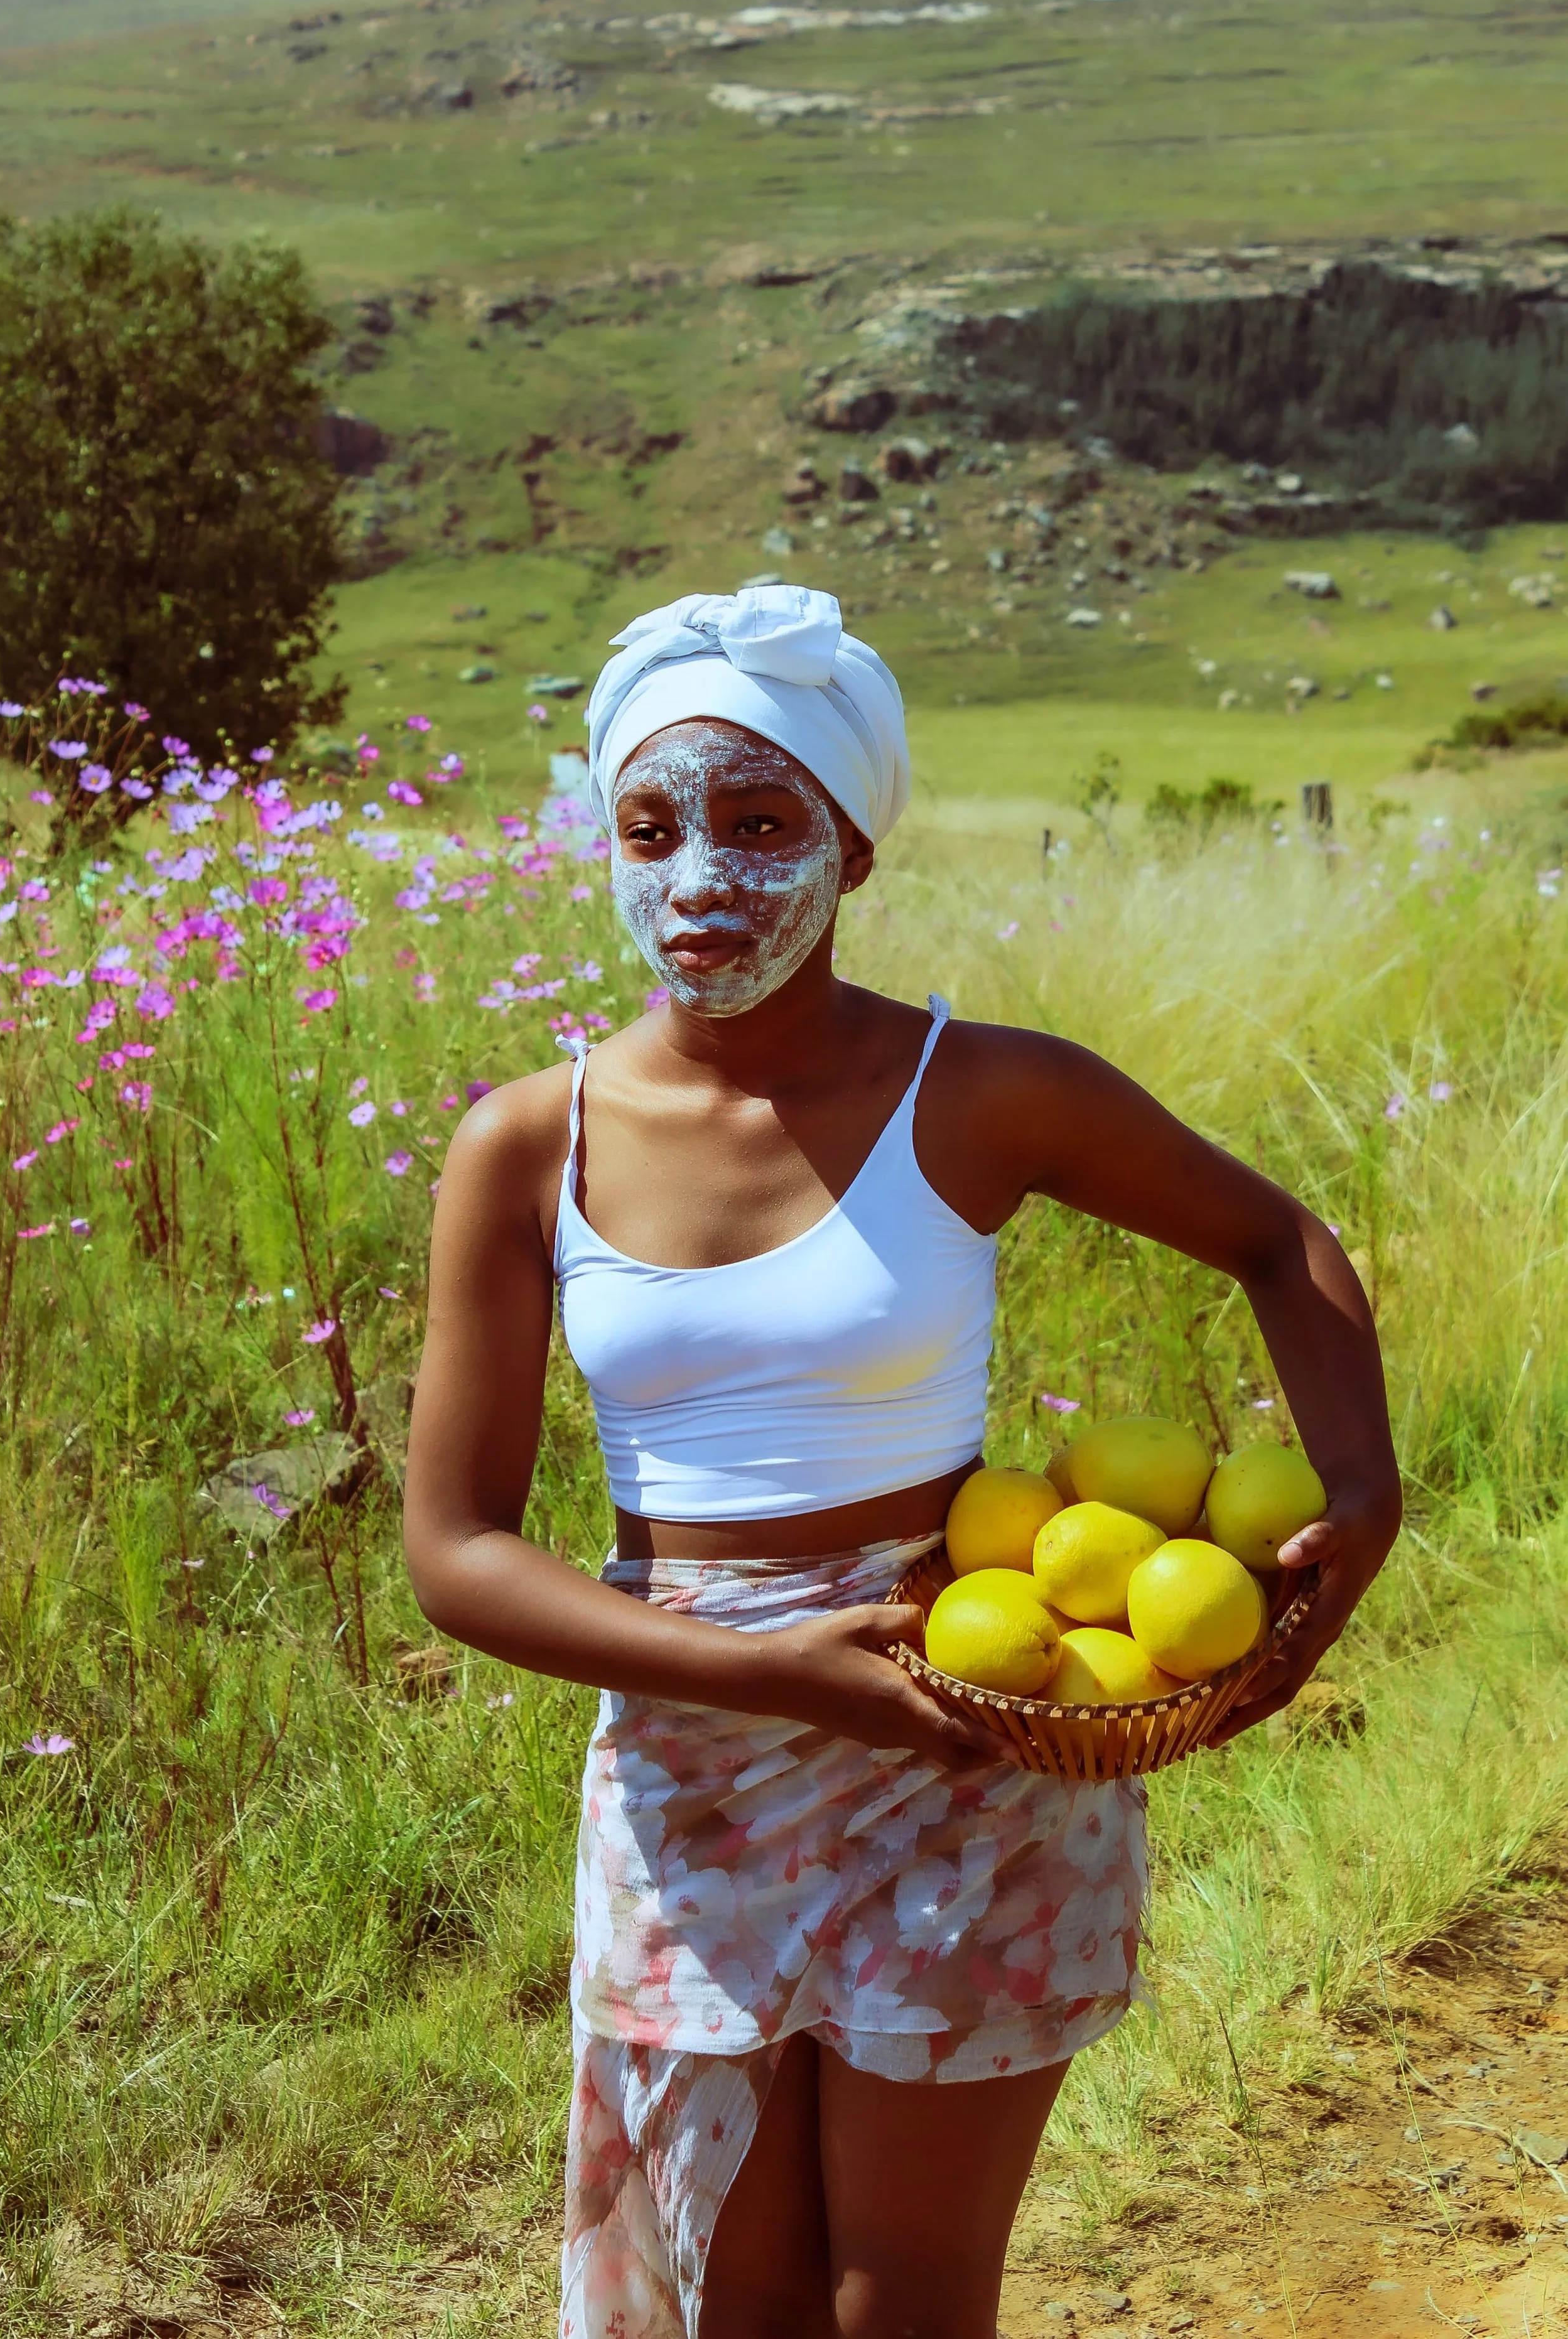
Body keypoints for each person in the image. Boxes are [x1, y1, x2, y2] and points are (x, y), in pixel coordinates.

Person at [403, 585, 1402, 2339]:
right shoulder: (522, 1147)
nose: (699, 875)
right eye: (650, 826)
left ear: (854, 849)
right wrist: (755, 1670)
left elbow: (1270, 1238)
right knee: (730, 2288)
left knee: (903, 2297)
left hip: (966, 1716)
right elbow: (454, 1547)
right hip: (691, 1756)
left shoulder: (979, 1093)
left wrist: (1360, 1498)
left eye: (762, 820)